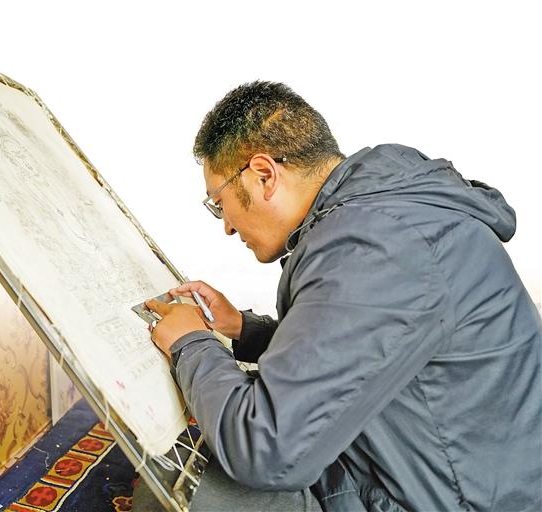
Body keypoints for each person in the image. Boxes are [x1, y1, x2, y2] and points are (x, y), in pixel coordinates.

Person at [145, 81, 542, 511]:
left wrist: (191, 344)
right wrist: (244, 330)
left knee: (182, 486)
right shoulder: (388, 212)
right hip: (449, 470)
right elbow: (364, 347)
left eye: (220, 203)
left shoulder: (374, 247)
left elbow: (267, 450)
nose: (226, 226)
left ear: (264, 175)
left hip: (453, 501)